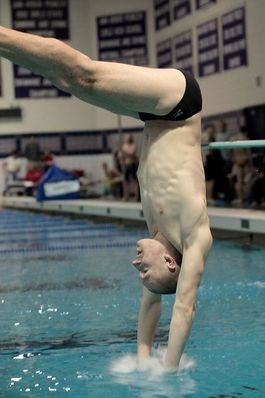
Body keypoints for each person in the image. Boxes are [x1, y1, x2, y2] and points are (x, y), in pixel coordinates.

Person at [0, 26, 212, 372]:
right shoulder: (194, 234)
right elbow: (184, 306)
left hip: (154, 115)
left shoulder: (158, 235)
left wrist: (144, 361)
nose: (136, 264)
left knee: (69, 81)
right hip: (179, 106)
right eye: (145, 269)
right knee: (86, 76)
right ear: (172, 264)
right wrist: (168, 373)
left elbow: (150, 305)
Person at [121, 134, 139, 201]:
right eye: (127, 138)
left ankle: (136, 196)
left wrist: (126, 153)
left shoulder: (133, 145)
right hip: (127, 164)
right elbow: (127, 154)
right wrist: (127, 154)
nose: (128, 139)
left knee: (134, 181)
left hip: (133, 164)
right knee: (126, 181)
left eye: (129, 138)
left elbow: (131, 153)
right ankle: (126, 196)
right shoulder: (125, 145)